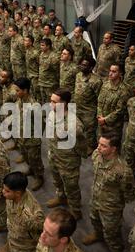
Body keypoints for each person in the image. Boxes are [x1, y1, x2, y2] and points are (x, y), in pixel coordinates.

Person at [83, 134, 135, 252]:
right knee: (94, 219)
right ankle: (97, 235)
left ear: (113, 149)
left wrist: (117, 203)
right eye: (99, 143)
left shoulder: (122, 170)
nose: (99, 147)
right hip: (95, 198)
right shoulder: (96, 155)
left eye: (103, 145)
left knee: (112, 233)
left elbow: (129, 192)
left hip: (111, 207)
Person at [46, 88, 86, 220]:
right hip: (54, 155)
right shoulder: (52, 114)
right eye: (51, 101)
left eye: (54, 102)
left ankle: (75, 210)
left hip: (68, 161)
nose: (51, 104)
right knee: (57, 180)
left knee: (71, 187)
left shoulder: (73, 122)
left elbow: (80, 138)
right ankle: (61, 198)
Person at [0, 172, 44, 252]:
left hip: (26, 249)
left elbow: (40, 233)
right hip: (14, 238)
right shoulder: (12, 196)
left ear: (17, 193)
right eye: (4, 189)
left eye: (7, 191)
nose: (3, 192)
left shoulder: (30, 216)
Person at [13, 78, 45, 191]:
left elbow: (41, 124)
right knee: (26, 156)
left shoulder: (33, 105)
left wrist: (35, 139)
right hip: (21, 136)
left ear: (25, 90)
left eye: (17, 90)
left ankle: (39, 176)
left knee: (34, 158)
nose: (15, 93)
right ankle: (31, 169)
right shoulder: (20, 100)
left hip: (31, 139)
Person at [74, 57, 102, 156]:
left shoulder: (96, 81)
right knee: (78, 128)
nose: (82, 66)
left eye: (85, 65)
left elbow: (99, 98)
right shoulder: (78, 75)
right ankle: (79, 144)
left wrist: (98, 113)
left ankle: (91, 146)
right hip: (78, 108)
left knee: (90, 131)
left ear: (90, 68)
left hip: (89, 110)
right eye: (81, 64)